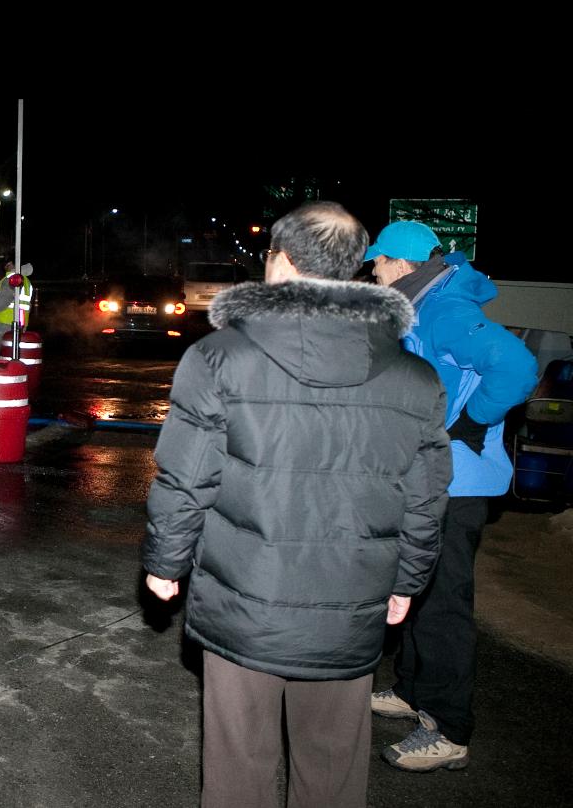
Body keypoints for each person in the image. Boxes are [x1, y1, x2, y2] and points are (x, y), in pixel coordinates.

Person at [141, 201, 451, 808]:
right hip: (353, 597)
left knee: (239, 766)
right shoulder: (415, 377)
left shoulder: (219, 357)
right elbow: (425, 496)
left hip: (243, 595)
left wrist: (165, 561)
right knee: (333, 764)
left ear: (278, 261)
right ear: (355, 268)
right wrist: (408, 580)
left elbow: (186, 474)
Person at [365, 220, 539, 772]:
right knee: (415, 583)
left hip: (456, 482)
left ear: (400, 262)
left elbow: (516, 365)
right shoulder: (426, 303)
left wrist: (473, 422)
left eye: (378, 261)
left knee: (442, 603)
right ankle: (415, 692)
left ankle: (449, 729)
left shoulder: (444, 309)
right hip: (428, 476)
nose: (372, 269)